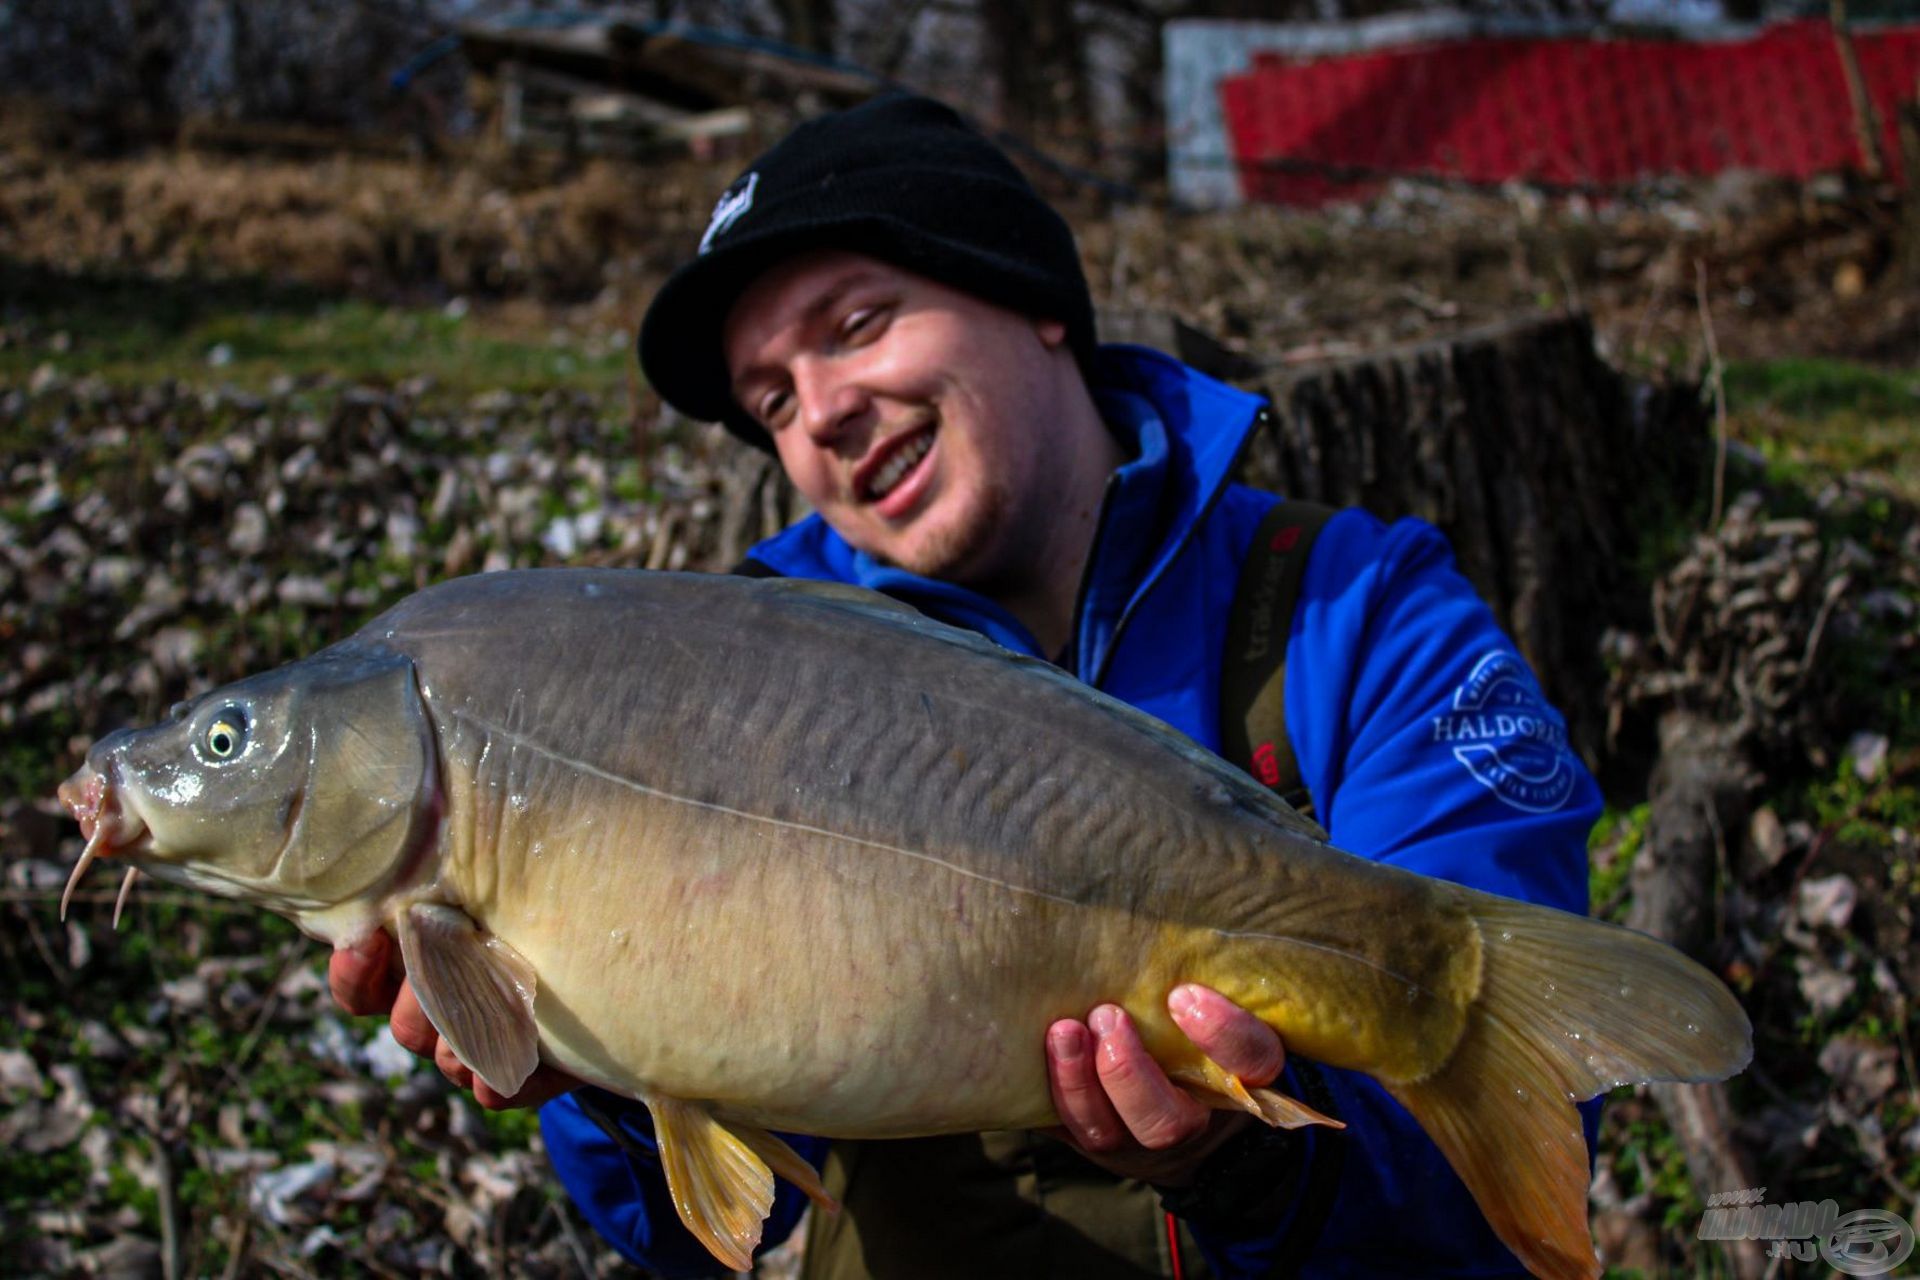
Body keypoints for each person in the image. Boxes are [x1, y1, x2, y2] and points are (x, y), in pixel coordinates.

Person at [330, 93, 1602, 1278]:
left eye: (857, 324)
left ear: (1033, 295)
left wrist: (1255, 1173)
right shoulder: (718, 685)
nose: (819, 410)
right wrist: (598, 1071)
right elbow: (724, 1231)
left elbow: (1470, 1242)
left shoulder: (1354, 606)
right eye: (771, 396)